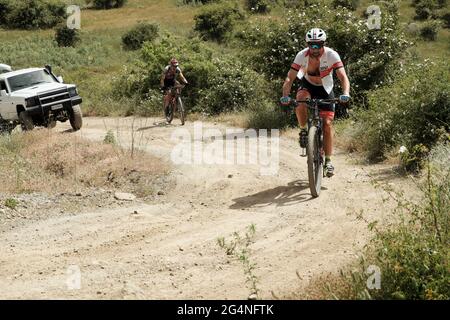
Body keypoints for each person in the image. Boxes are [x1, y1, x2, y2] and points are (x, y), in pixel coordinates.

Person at [280, 28, 351, 177]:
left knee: (327, 124)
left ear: (323, 44)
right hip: (308, 85)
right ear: (308, 45)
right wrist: (285, 95)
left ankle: (329, 161)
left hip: (325, 88)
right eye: (312, 45)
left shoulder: (331, 55)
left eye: (318, 45)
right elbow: (289, 78)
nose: (315, 48)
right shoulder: (301, 55)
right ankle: (303, 130)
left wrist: (345, 93)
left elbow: (343, 77)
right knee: (300, 101)